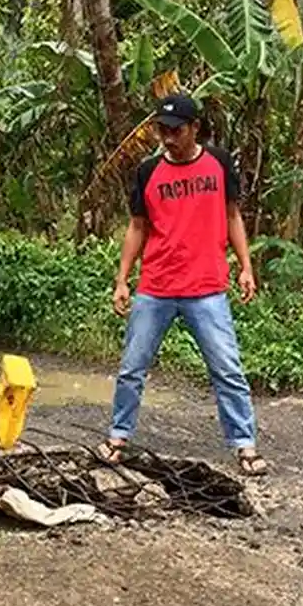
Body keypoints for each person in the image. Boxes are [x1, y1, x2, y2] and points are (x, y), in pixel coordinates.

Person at [99, 93, 268, 476]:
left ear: (195, 128)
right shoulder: (147, 171)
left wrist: (245, 267)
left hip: (206, 287)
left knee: (227, 369)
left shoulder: (219, 164)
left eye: (176, 131)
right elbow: (137, 227)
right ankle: (117, 437)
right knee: (132, 367)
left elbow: (233, 216)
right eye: (162, 130)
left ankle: (245, 445)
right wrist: (122, 279)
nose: (168, 138)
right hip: (156, 286)